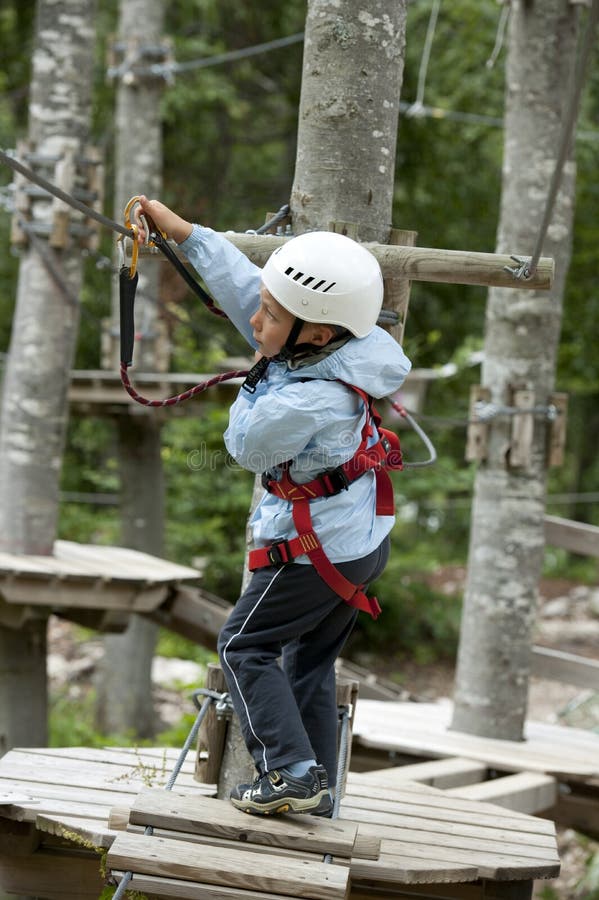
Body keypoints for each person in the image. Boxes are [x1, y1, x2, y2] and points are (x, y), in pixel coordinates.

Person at [134, 197, 411, 816]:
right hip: (358, 541)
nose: (256, 322)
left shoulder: (309, 397)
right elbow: (249, 292)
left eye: (270, 316)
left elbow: (246, 445)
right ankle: (317, 785)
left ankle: (288, 772)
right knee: (307, 661)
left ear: (312, 330)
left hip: (314, 552)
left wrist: (255, 373)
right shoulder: (337, 348)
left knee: (242, 647)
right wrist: (186, 234)